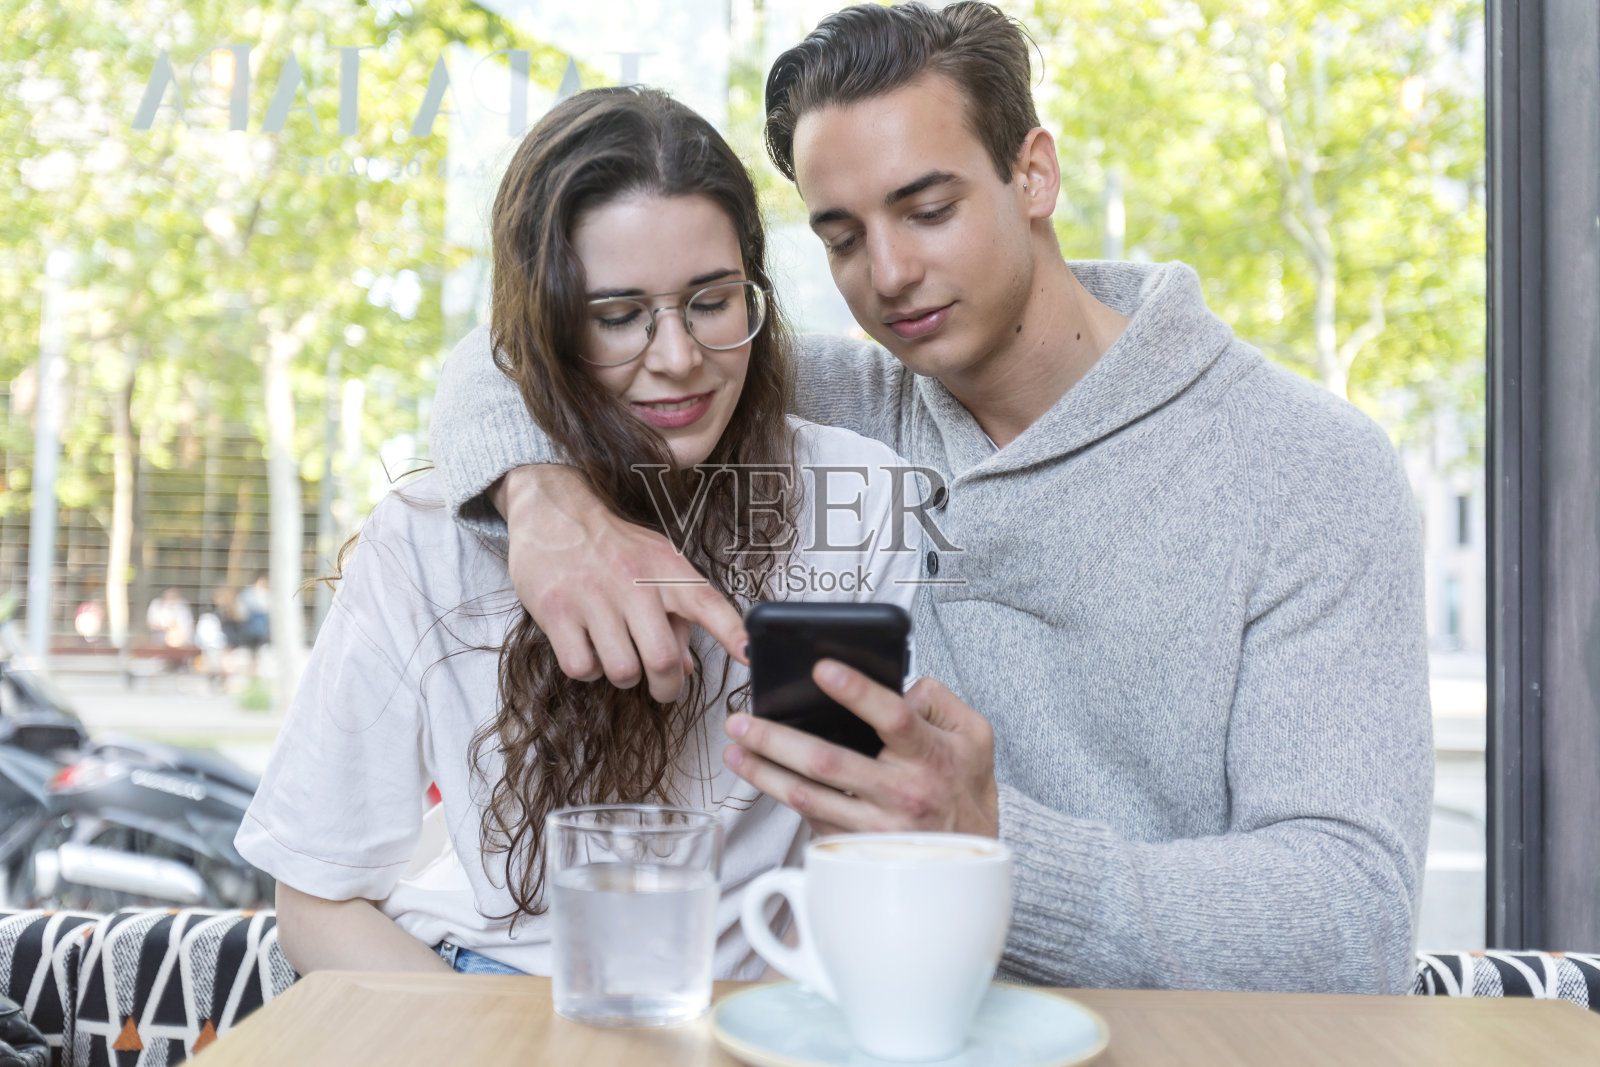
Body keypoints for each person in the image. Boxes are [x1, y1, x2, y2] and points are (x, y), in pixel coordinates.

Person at [427, 2, 1433, 994]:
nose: (890, 274)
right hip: (862, 1026)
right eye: (843, 236)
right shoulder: (827, 411)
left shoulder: (1307, 466)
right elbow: (514, 349)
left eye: (928, 208)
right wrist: (544, 500)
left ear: (1032, 172)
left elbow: (1351, 921)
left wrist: (990, 842)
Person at [235, 86, 920, 978]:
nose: (676, 357)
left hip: (738, 1010)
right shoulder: (433, 533)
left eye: (711, 301)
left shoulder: (854, 498)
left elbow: (861, 850)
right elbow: (318, 897)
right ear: (545, 325)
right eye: (615, 316)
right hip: (479, 992)